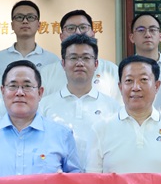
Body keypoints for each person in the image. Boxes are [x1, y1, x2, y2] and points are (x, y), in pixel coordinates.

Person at [0, 60, 82, 177]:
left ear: (40, 93)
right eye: (13, 86)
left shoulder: (62, 135)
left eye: (27, 86)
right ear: (2, 91)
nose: (20, 93)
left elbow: (76, 182)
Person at [87, 55, 161, 173]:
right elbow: (92, 180)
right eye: (129, 81)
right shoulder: (100, 130)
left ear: (157, 86)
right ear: (120, 87)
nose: (136, 87)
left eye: (143, 80)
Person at [39, 34, 120, 167]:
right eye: (73, 58)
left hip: (99, 177)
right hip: (57, 176)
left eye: (86, 58)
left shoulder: (112, 107)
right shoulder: (44, 106)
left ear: (96, 64)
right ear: (63, 64)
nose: (80, 63)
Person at [40, 9, 119, 100]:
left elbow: (119, 105)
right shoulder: (47, 73)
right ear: (61, 37)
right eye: (71, 28)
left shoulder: (110, 70)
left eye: (83, 27)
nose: (77, 32)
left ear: (93, 34)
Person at [0, 0, 60, 82]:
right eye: (19, 17)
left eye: (30, 17)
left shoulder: (52, 60)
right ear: (12, 25)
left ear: (38, 25)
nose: (25, 21)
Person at [128, 12, 161, 111]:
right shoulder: (125, 71)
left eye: (152, 30)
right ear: (132, 37)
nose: (147, 35)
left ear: (160, 36)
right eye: (141, 30)